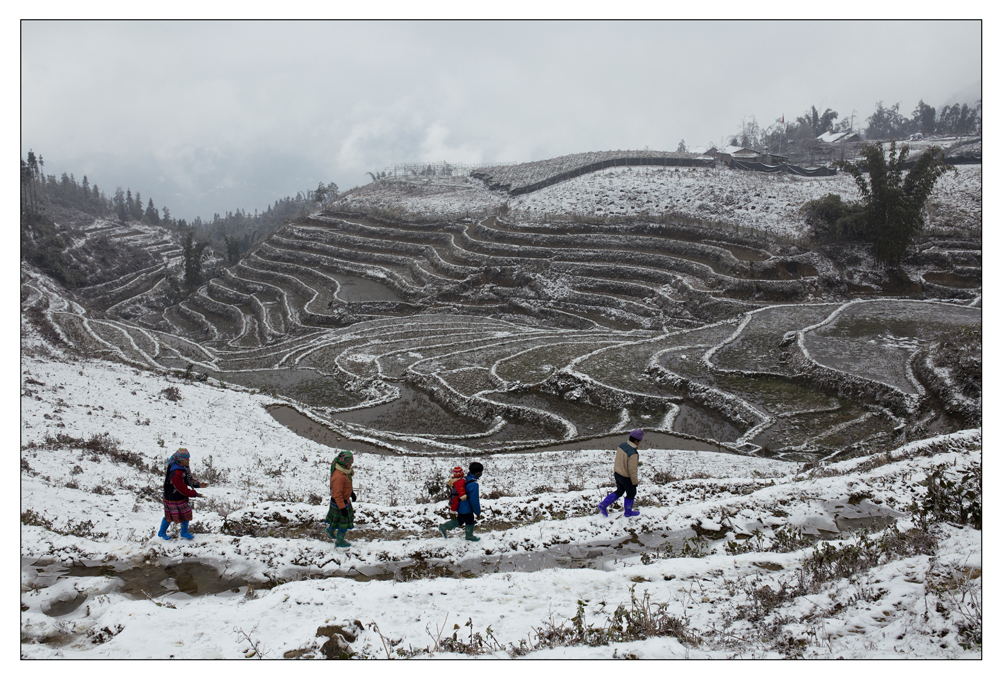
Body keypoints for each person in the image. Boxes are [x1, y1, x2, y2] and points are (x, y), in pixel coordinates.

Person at [158, 448, 208, 540]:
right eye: (186, 459)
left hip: (178, 496)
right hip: (172, 497)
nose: (188, 460)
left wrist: (198, 484)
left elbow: (187, 479)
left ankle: (184, 532)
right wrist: (195, 494)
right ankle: (162, 532)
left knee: (185, 513)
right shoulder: (176, 473)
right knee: (170, 516)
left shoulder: (182, 468)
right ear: (180, 460)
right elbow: (182, 488)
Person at [597, 430, 643, 518]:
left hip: (618, 473)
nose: (639, 443)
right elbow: (632, 470)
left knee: (620, 491)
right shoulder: (633, 453)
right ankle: (628, 512)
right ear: (636, 441)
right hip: (626, 477)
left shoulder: (622, 445)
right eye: (639, 441)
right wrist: (635, 482)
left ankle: (603, 504)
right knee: (631, 493)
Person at [438, 462, 483, 541]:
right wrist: (477, 512)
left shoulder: (464, 479)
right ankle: (469, 536)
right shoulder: (473, 484)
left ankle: (443, 527)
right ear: (477, 473)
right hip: (466, 508)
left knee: (460, 520)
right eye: (481, 472)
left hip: (459, 506)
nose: (481, 473)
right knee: (470, 521)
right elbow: (474, 500)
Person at [325, 450, 357, 548]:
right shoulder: (338, 477)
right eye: (349, 463)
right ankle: (339, 541)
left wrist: (351, 493)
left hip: (342, 501)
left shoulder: (344, 472)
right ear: (344, 463)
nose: (350, 465)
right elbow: (338, 494)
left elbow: (345, 487)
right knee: (343, 524)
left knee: (336, 520)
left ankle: (330, 530)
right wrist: (342, 508)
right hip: (340, 503)